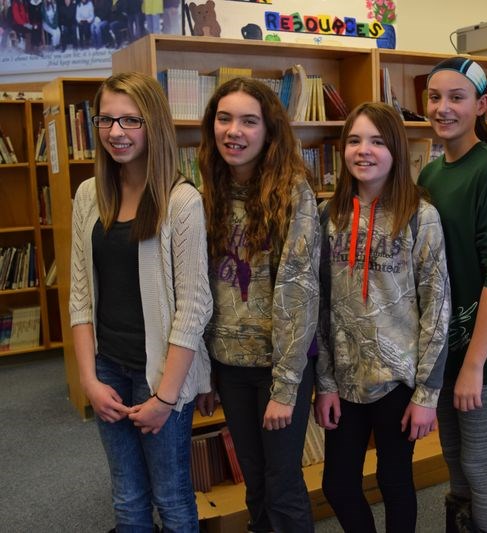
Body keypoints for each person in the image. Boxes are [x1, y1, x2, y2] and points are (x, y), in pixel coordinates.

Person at [69, 71, 213, 532]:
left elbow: (194, 308)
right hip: (108, 367)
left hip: (161, 376)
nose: (116, 133)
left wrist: (165, 398)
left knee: (171, 499)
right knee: (128, 500)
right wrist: (89, 380)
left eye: (130, 120)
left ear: (153, 125)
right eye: (106, 120)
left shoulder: (181, 201)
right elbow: (79, 295)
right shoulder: (89, 195)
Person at [314, 102, 451, 532]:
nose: (364, 150)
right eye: (354, 140)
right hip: (344, 380)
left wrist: (427, 394)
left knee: (395, 482)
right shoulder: (327, 215)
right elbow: (317, 303)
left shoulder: (420, 216)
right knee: (337, 485)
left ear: (395, 148)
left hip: (398, 380)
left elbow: (437, 305)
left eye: (376, 141)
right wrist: (324, 382)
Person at [198, 77, 319, 533]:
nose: (235, 131)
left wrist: (286, 386)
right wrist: (204, 371)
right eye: (224, 119)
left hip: (279, 366)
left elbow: (300, 292)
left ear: (269, 131)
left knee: (283, 483)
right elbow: (200, 288)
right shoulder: (203, 191)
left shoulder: (294, 192)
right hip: (229, 365)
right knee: (254, 484)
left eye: (249, 121)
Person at [417, 56, 487, 533]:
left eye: (456, 98)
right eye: (435, 97)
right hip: (442, 345)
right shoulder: (431, 173)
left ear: (480, 105)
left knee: (480, 463)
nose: (443, 108)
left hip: (482, 347)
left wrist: (477, 363)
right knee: (454, 460)